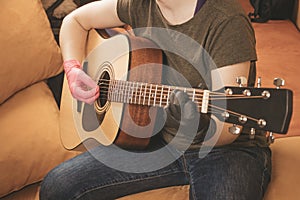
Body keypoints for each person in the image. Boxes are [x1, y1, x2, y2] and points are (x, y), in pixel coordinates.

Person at [40, 0, 272, 199]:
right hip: (158, 138)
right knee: (57, 186)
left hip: (226, 150)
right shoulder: (141, 4)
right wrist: (73, 68)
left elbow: (224, 131)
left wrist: (196, 122)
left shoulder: (226, 20)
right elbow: (75, 21)